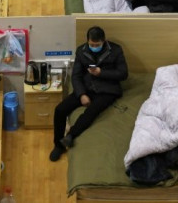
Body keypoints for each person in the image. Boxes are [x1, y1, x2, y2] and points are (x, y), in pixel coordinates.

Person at [49, 26, 128, 162]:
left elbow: (123, 74)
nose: (94, 47)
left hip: (107, 89)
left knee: (91, 111)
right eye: (91, 44)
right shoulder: (82, 51)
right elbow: (76, 76)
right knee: (60, 110)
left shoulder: (116, 50)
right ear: (87, 41)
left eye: (97, 45)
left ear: (103, 41)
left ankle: (70, 136)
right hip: (87, 87)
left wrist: (101, 72)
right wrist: (81, 94)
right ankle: (58, 145)